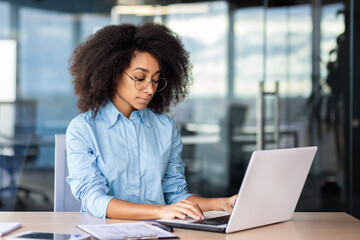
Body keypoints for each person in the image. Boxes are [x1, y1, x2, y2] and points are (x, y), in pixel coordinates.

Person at [66, 22, 237, 220]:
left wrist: (222, 203)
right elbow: (94, 199)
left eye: (155, 80)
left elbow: (175, 195)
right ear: (112, 74)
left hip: (157, 232)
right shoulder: (83, 129)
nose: (150, 89)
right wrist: (160, 211)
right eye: (140, 78)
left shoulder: (165, 127)